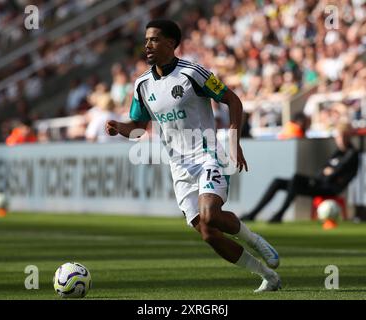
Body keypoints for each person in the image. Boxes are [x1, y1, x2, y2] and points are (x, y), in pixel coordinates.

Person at [105, 19, 281, 292]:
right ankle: (267, 275)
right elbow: (139, 128)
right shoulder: (142, 84)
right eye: (146, 40)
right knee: (209, 234)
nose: (147, 45)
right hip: (179, 166)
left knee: (210, 214)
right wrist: (120, 128)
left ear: (171, 43)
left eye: (154, 39)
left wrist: (234, 140)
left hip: (208, 154)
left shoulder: (193, 73)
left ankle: (255, 240)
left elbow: (232, 99)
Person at [242, 122, 359, 223]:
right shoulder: (338, 153)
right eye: (338, 136)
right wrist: (327, 173)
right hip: (319, 183)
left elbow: (335, 173)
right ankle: (253, 214)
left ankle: (280, 214)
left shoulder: (352, 153)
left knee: (296, 180)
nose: (340, 139)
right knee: (277, 182)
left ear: (348, 137)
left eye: (343, 136)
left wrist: (328, 173)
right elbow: (323, 171)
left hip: (329, 189)